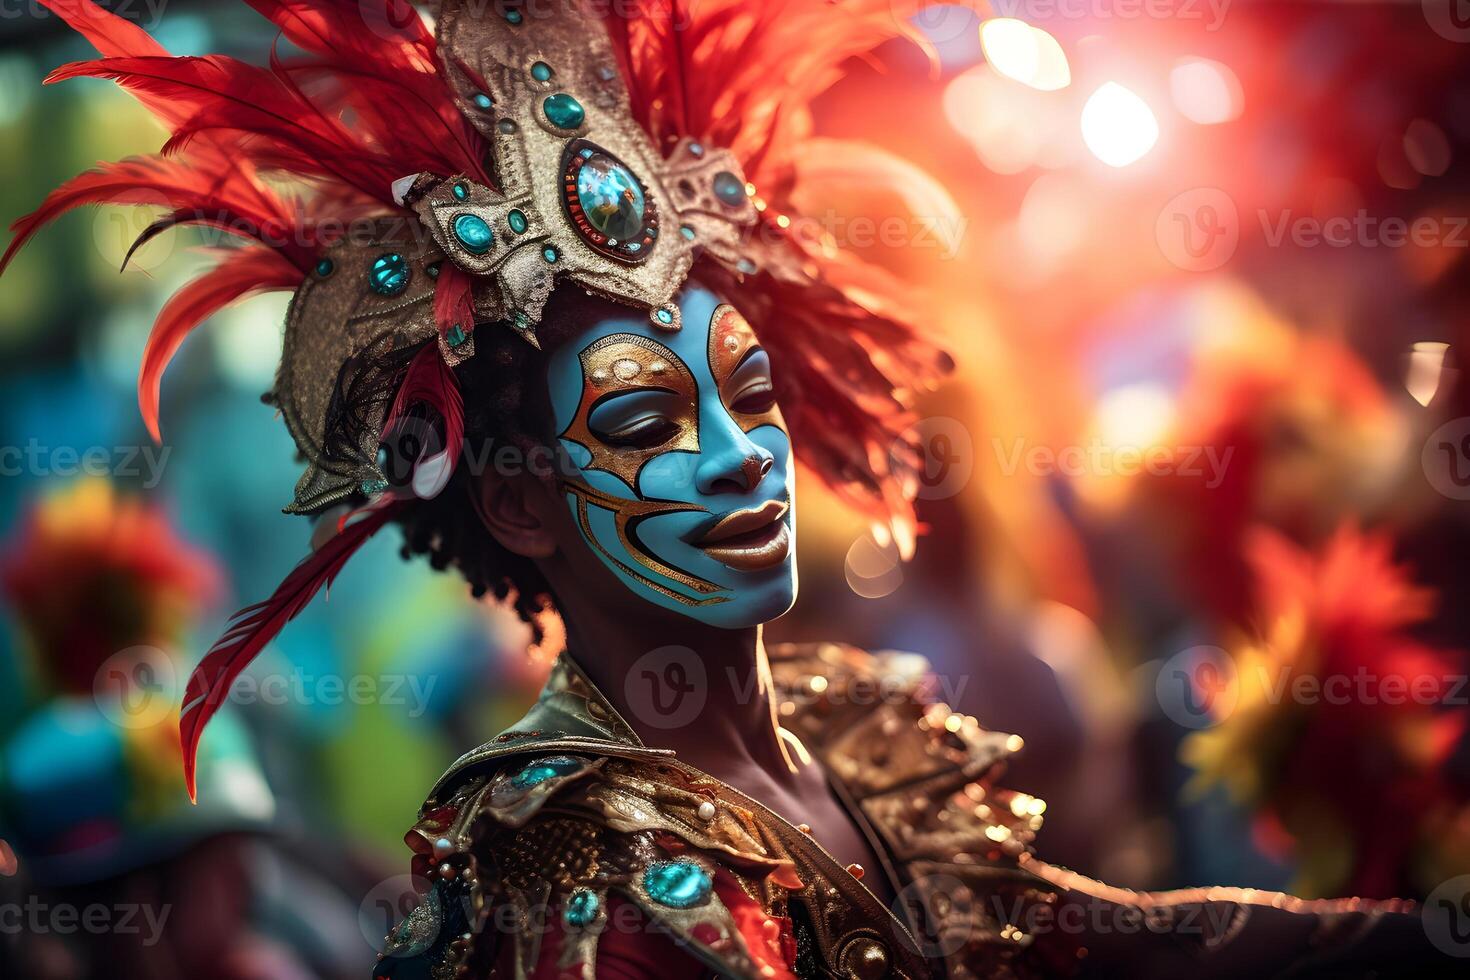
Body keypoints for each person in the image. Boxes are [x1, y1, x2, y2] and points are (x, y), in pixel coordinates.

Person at [4, 2, 1459, 976]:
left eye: (748, 390)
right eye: (645, 418)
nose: (734, 448)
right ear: (518, 505)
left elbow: (1094, 935)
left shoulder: (840, 732)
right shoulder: (572, 869)